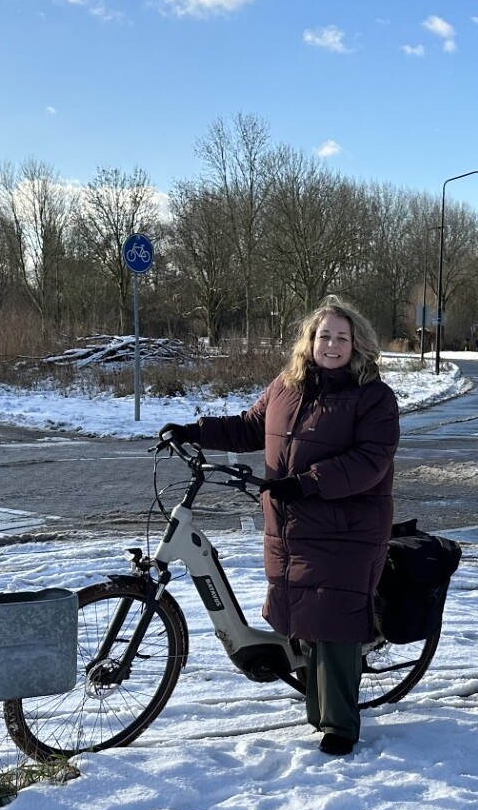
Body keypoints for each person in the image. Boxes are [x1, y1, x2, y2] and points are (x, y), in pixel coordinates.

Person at [160, 295, 399, 756]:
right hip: (291, 522)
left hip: (345, 526)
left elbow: (370, 461)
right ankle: (319, 700)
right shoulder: (286, 386)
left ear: (357, 345)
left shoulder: (373, 397)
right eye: (323, 335)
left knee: (333, 622)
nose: (331, 344)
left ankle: (341, 727)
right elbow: (250, 427)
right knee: (302, 617)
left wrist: (307, 484)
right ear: (309, 341)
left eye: (341, 338)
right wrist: (194, 431)